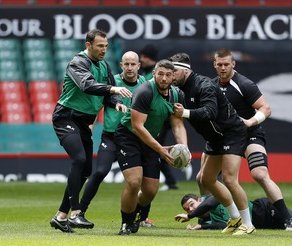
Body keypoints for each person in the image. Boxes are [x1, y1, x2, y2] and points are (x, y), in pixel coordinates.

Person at [49, 29, 132, 233]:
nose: (104, 50)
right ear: (88, 45)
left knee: (85, 169)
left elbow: (109, 95)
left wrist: (117, 103)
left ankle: (60, 216)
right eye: (100, 46)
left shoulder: (104, 66)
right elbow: (87, 85)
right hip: (66, 117)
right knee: (78, 159)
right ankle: (76, 213)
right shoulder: (78, 62)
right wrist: (113, 90)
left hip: (84, 121)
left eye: (106, 46)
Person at [210, 48, 292, 230]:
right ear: (214, 65)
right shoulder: (211, 86)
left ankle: (288, 219)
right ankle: (225, 218)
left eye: (227, 64)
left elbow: (266, 108)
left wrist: (250, 122)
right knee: (205, 178)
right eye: (220, 64)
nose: (223, 68)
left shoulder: (244, 84)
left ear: (233, 64)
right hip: (226, 139)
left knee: (260, 175)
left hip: (250, 135)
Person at [169, 53, 255, 235]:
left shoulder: (205, 85)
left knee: (230, 180)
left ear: (185, 71)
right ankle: (234, 219)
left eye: (173, 72)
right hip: (215, 138)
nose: (171, 76)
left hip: (232, 133)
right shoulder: (179, 90)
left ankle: (248, 224)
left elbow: (209, 112)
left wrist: (184, 113)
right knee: (206, 179)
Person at [76, 51, 158, 227]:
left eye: (132, 64)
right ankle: (80, 212)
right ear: (121, 65)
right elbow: (97, 106)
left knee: (144, 180)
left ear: (138, 66)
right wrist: (89, 129)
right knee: (99, 172)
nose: (129, 67)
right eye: (126, 64)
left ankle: (142, 217)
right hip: (111, 137)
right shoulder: (111, 82)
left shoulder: (145, 84)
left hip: (136, 138)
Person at [114, 59, 188, 235]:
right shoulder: (145, 91)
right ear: (154, 74)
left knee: (150, 191)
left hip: (150, 140)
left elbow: (177, 124)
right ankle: (126, 223)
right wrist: (161, 149)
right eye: (160, 74)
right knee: (133, 182)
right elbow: (138, 127)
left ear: (173, 78)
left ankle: (136, 214)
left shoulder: (177, 95)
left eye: (168, 75)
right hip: (129, 136)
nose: (163, 78)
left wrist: (184, 148)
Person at [174, 193, 292, 230]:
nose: (191, 208)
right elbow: (224, 225)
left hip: (266, 208)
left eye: (191, 204)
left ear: (199, 200)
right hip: (263, 224)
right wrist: (201, 227)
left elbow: (213, 201)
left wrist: (190, 216)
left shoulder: (210, 200)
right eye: (187, 208)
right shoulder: (205, 222)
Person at [139, 44, 179, 191]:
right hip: (148, 120)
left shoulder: (152, 77)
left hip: (160, 120)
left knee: (158, 149)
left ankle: (171, 182)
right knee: (157, 149)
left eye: (143, 57)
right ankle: (170, 181)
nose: (141, 59)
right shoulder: (146, 75)